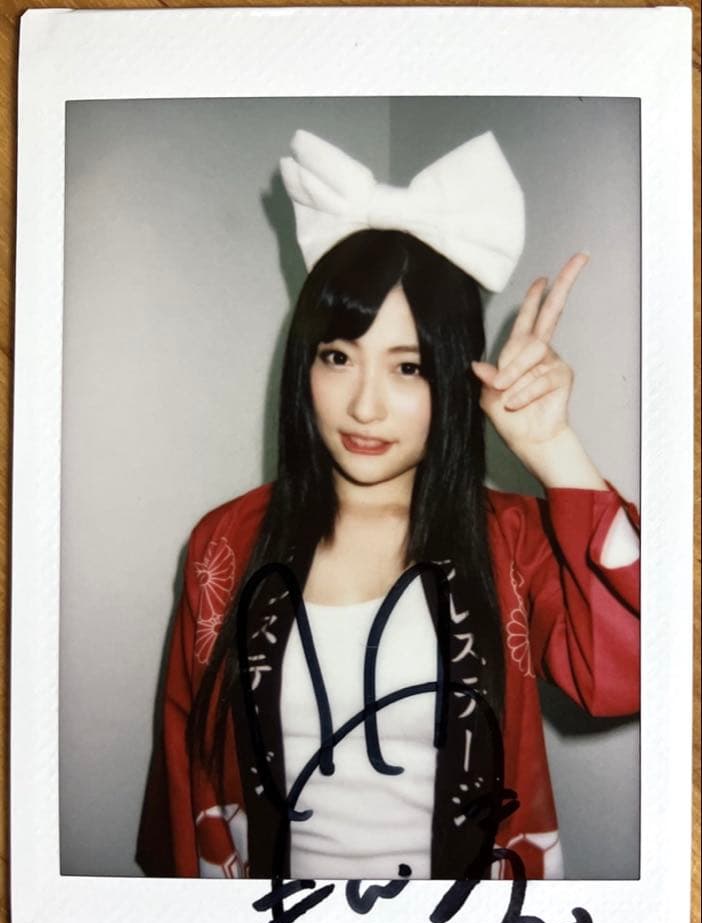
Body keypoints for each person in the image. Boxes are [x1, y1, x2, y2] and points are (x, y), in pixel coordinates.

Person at [136, 130, 640, 882]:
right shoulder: (225, 543)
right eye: (338, 357)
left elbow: (639, 665)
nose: (365, 405)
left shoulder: (511, 543)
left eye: (408, 368)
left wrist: (554, 448)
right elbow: (186, 774)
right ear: (304, 364)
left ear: (456, 377)